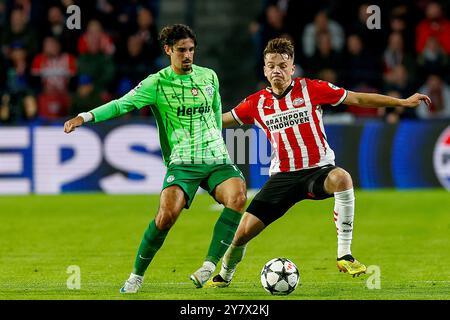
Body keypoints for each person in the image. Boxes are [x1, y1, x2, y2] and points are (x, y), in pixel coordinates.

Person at [205, 38, 431, 287]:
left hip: (318, 171)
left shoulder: (312, 89)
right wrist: (188, 121)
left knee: (342, 177)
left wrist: (401, 102)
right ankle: (224, 275)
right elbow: (221, 121)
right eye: (271, 65)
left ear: (292, 68)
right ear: (265, 70)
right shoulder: (256, 103)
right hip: (283, 177)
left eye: (283, 65)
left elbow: (357, 99)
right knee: (242, 234)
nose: (277, 70)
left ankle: (344, 254)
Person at [63, 24, 247, 293]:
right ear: (168, 50)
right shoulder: (156, 83)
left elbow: (216, 115)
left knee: (238, 197)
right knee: (165, 217)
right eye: (182, 50)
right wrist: (85, 117)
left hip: (216, 158)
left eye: (191, 50)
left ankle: (209, 265)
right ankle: (136, 276)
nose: (187, 55)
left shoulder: (209, 77)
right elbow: (120, 104)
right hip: (183, 163)